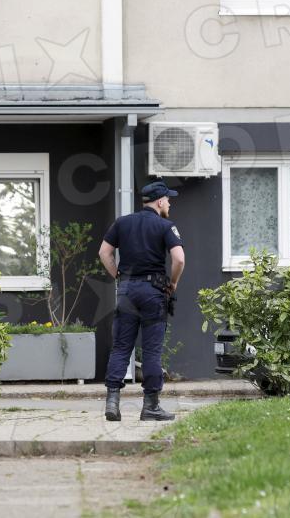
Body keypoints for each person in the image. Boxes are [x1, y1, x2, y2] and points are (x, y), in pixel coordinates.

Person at [97, 180, 185, 421]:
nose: (170, 204)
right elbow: (179, 259)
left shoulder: (122, 223)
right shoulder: (165, 226)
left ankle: (112, 403)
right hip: (153, 292)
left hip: (126, 290)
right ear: (160, 202)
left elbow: (104, 252)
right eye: (168, 200)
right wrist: (173, 283)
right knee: (151, 350)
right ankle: (150, 407)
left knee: (121, 347)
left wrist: (118, 275)